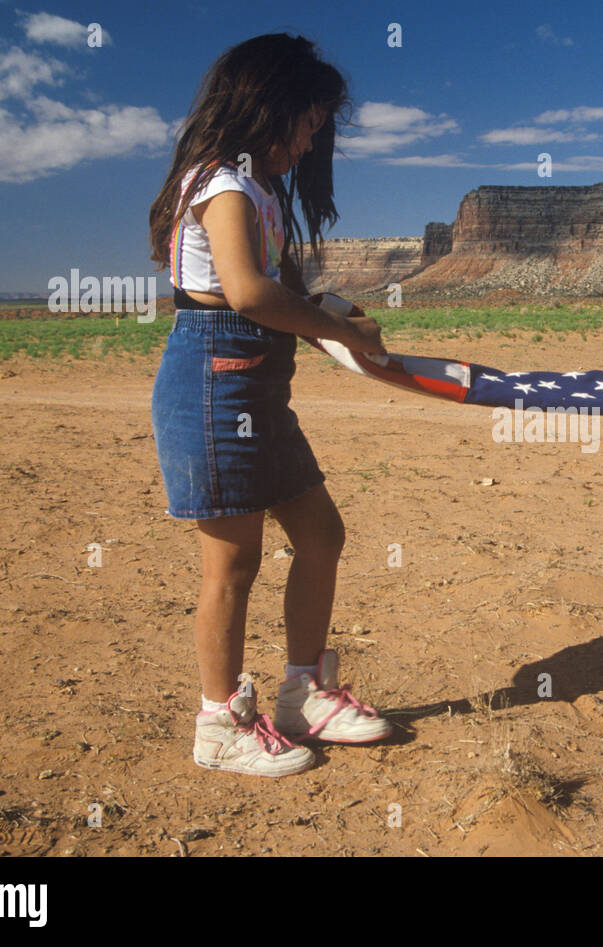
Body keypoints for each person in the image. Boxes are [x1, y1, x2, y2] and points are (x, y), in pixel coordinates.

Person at [147, 33, 392, 777]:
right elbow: (250, 294)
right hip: (215, 384)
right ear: (267, 107)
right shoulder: (220, 182)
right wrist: (331, 329)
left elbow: (293, 296)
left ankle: (304, 694)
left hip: (259, 391)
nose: (311, 140)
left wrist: (348, 324)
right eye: (308, 124)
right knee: (234, 560)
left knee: (321, 533)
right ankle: (219, 723)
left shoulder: (260, 191)